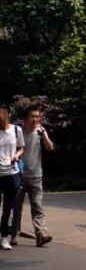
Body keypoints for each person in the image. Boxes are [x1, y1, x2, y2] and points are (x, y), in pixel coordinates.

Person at [12, 105, 54, 247]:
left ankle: (41, 234)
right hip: (18, 175)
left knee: (37, 206)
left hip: (36, 175)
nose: (36, 119)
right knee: (16, 207)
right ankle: (14, 234)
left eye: (38, 117)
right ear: (26, 118)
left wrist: (45, 136)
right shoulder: (18, 132)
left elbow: (50, 147)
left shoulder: (40, 132)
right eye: (33, 116)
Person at [0, 102, 25, 252]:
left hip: (11, 174)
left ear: (6, 114)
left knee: (8, 208)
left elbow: (21, 148)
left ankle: (4, 237)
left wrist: (16, 155)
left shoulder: (16, 130)